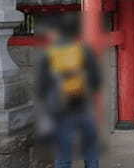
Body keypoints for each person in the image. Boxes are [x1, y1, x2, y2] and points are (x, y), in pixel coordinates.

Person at [35, 15, 102, 168]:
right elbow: (96, 81)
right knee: (90, 148)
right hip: (83, 106)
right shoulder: (84, 51)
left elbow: (41, 87)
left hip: (60, 108)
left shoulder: (49, 54)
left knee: (63, 151)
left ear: (55, 33)